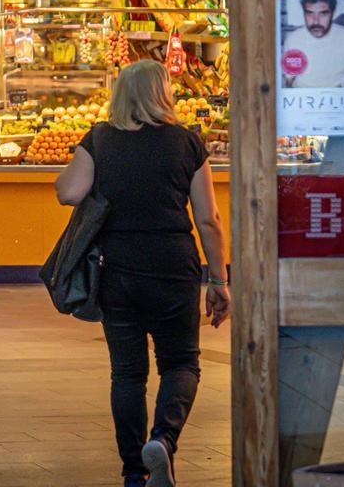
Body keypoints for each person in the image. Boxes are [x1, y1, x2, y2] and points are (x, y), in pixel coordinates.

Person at [54, 60, 230, 487]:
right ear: (163, 92)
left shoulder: (99, 138)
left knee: (127, 374)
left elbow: (69, 192)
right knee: (181, 363)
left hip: (118, 267)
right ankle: (164, 441)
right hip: (174, 265)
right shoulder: (188, 142)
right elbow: (209, 219)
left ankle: (134, 470)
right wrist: (219, 280)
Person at [282, 0, 344, 88]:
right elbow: (289, 80)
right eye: (310, 13)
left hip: (341, 97)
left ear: (332, 13)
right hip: (305, 97)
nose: (316, 21)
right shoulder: (293, 39)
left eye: (323, 14)